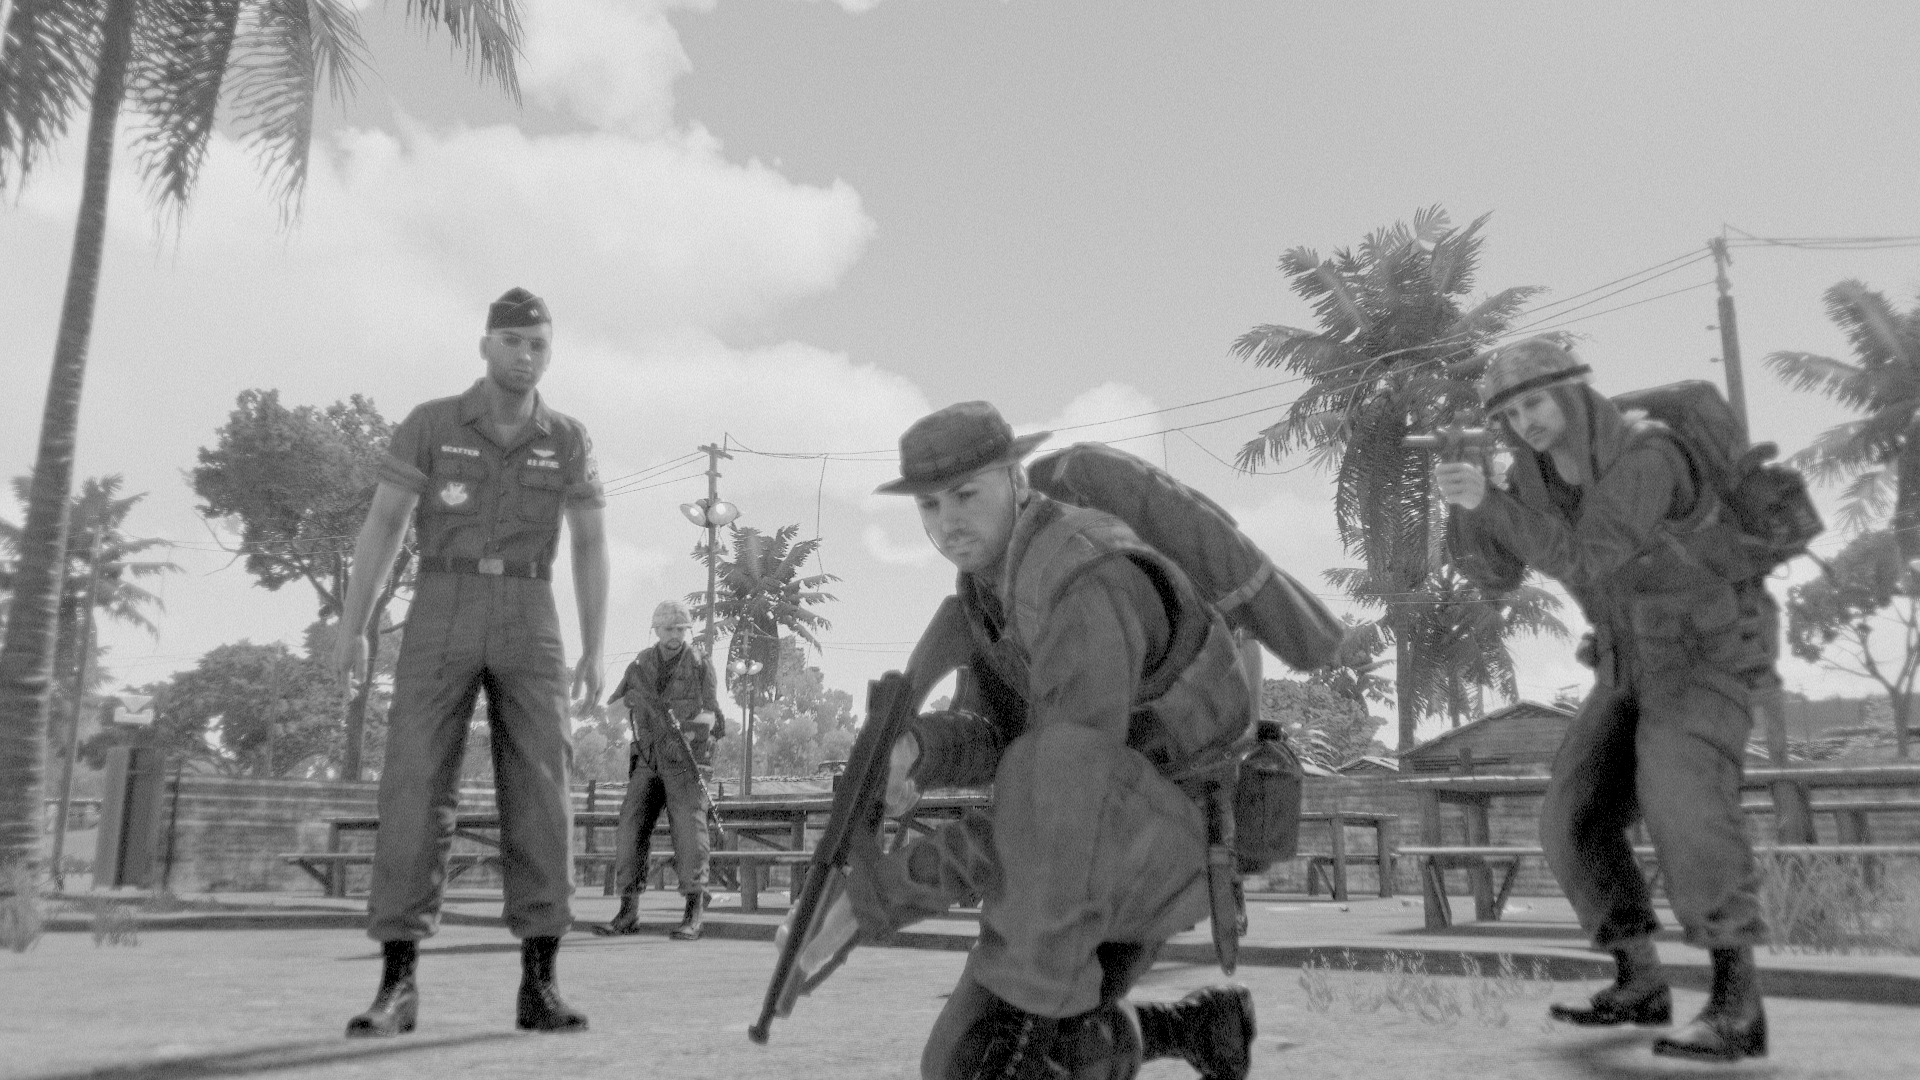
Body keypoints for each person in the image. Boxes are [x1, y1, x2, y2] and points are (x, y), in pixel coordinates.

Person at [825, 401, 1257, 1080]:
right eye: (929, 505)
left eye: (966, 494)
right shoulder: (991, 591)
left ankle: (1147, 1030)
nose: (947, 521)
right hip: (1094, 845)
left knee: (982, 1064)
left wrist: (882, 893)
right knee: (1012, 1050)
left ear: (1016, 478)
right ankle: (1199, 1026)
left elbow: (1059, 791)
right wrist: (916, 749)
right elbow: (997, 736)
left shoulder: (1087, 579)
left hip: (1157, 840)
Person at [1439, 337, 1775, 1062]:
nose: (1525, 422)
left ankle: (1738, 1004)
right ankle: (1640, 980)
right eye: (1509, 413)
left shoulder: (1649, 455)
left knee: (1684, 803)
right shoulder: (1533, 478)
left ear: (1573, 392)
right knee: (1572, 816)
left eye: (1534, 402)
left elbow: (1590, 556)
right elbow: (1494, 574)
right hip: (1626, 662)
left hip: (1705, 657)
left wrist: (1491, 503)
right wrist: (1467, 502)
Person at [332, 287, 608, 1037]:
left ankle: (541, 984)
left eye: (538, 344)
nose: (525, 355)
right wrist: (355, 626)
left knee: (543, 789)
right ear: (485, 344)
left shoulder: (568, 438)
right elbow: (385, 523)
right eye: (512, 341)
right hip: (442, 601)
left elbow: (588, 540)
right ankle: (397, 985)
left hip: (530, 607)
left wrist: (595, 644)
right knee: (414, 781)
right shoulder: (431, 424)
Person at [595, 599, 727, 940]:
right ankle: (627, 911)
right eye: (669, 629)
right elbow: (612, 711)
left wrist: (691, 731)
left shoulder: (700, 664)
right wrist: (630, 701)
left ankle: (694, 911)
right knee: (630, 827)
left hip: (687, 760)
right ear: (656, 630)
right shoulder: (640, 665)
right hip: (648, 757)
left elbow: (713, 715)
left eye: (681, 629)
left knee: (689, 832)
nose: (675, 635)